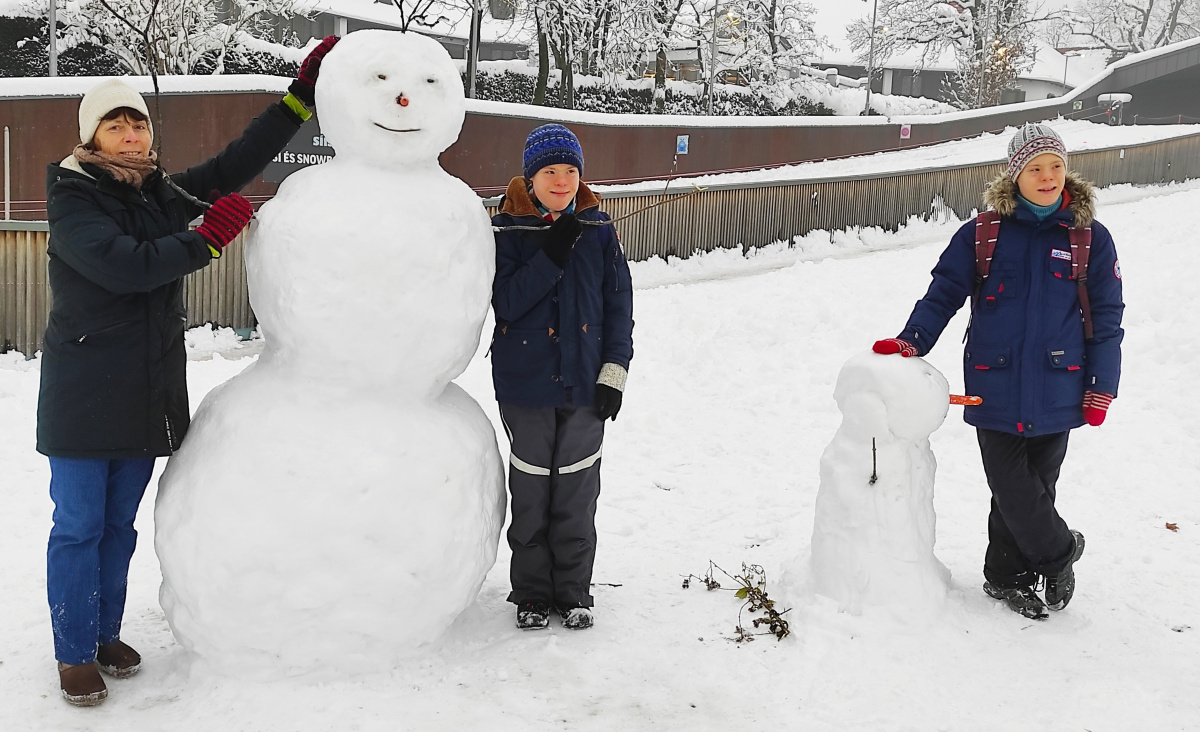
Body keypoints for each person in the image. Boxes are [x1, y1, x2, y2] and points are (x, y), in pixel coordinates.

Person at [38, 36, 339, 706]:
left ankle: (103, 634)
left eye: (136, 120)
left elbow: (234, 164)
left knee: (119, 526)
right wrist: (204, 239)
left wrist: (297, 101)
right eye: (113, 122)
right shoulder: (73, 198)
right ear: (91, 135)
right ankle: (71, 652)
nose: (128, 130)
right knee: (80, 525)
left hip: (145, 392)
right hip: (84, 396)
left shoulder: (160, 191)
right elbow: (123, 265)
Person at [873, 123, 1124, 620]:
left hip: (1059, 382)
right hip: (995, 381)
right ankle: (1059, 553)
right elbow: (944, 293)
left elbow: (1107, 316)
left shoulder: (1088, 238)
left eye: (1055, 165)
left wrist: (1102, 385)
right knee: (1011, 483)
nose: (1049, 176)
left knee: (1037, 485)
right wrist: (912, 340)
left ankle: (1006, 575)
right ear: (1015, 175)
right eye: (1035, 168)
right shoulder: (982, 234)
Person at [490, 124, 634, 631]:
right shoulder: (506, 230)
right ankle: (530, 593)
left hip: (584, 383)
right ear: (531, 178)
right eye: (550, 171)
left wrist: (613, 373)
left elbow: (619, 306)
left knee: (576, 490)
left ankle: (573, 590)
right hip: (525, 385)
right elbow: (505, 302)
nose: (562, 180)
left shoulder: (598, 229)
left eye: (570, 171)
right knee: (531, 492)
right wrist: (552, 252)